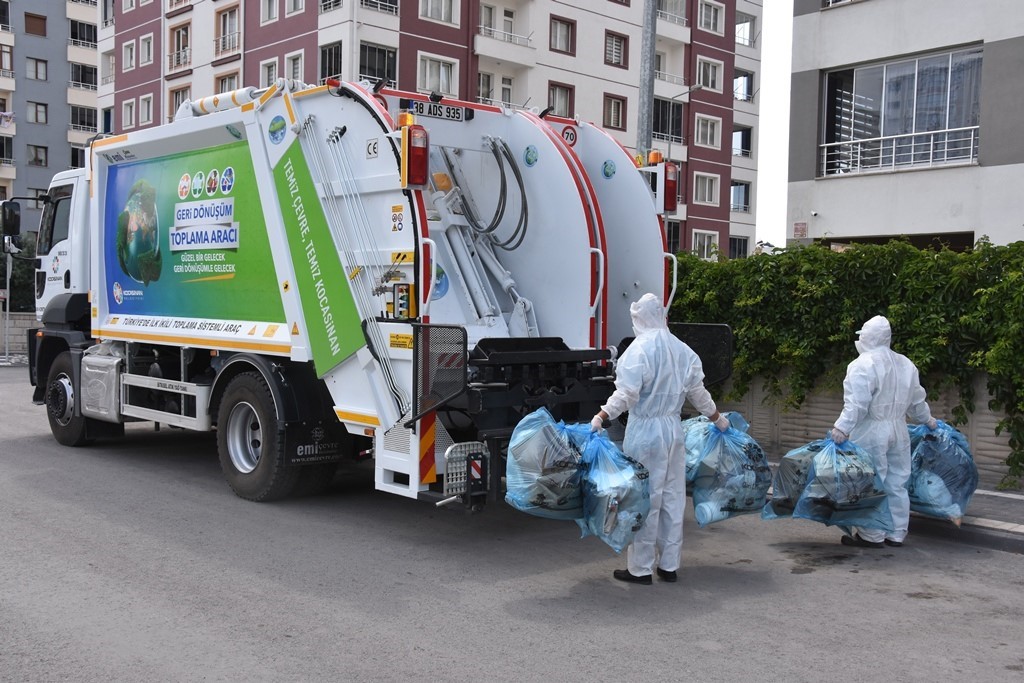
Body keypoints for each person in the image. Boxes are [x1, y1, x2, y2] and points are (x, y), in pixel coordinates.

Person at [590, 293, 729, 585]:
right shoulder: (683, 350)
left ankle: (640, 568)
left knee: (645, 498)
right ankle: (669, 565)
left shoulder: (638, 351)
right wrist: (717, 418)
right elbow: (698, 393)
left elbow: (626, 394)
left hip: (645, 432)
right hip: (672, 430)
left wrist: (602, 415)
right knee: (672, 498)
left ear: (640, 318)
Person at [830, 315, 937, 549]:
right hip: (899, 428)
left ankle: (872, 535)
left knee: (871, 481)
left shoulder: (862, 364)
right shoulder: (906, 364)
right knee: (897, 482)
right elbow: (917, 401)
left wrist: (842, 427)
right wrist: (927, 420)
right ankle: (896, 533)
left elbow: (857, 404)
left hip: (871, 429)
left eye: (863, 335)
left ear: (869, 336)